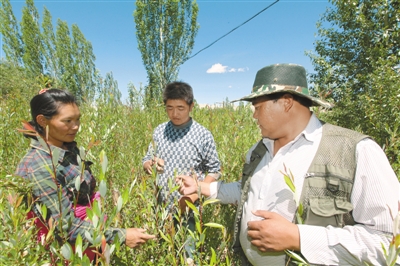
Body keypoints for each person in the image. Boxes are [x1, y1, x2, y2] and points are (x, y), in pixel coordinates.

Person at [177, 63, 399, 265]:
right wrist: (200, 187)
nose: (254, 116)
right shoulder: (259, 150)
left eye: (258, 107)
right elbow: (247, 190)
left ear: (286, 102)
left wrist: (298, 238)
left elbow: (389, 243)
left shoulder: (355, 151)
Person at [16, 88, 155, 261]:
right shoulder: (39, 166)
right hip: (66, 254)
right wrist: (121, 235)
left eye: (78, 119)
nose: (76, 127)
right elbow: (64, 228)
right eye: (67, 121)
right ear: (43, 121)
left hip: (87, 242)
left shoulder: (64, 148)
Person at [142, 81, 221, 256]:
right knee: (164, 250)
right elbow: (147, 158)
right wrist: (150, 164)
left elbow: (215, 170)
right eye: (169, 108)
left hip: (189, 209)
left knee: (188, 254)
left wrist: (193, 196)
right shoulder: (159, 131)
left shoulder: (202, 135)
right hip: (161, 207)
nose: (175, 113)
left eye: (180, 108)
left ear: (191, 106)